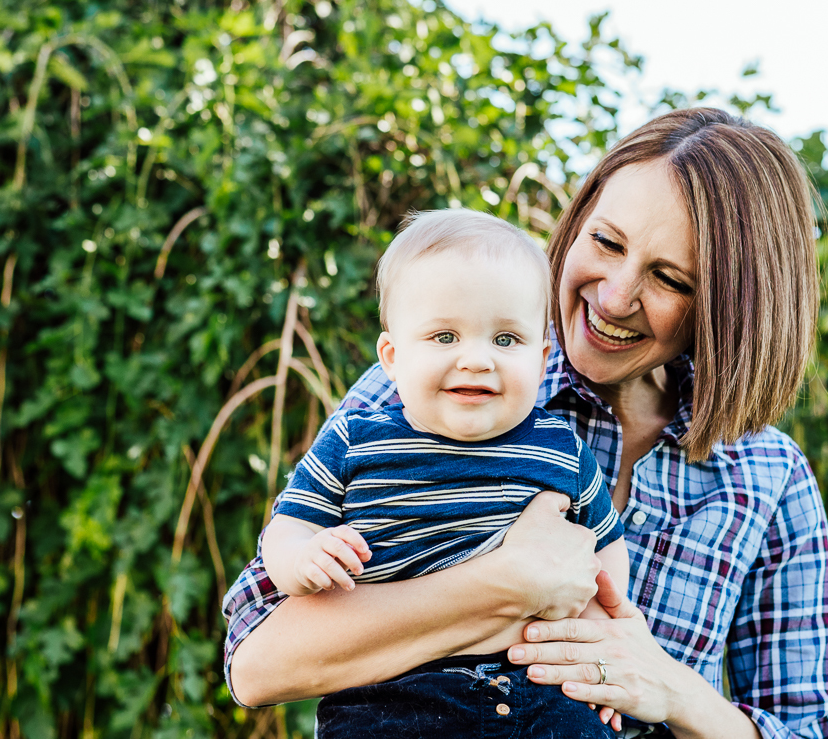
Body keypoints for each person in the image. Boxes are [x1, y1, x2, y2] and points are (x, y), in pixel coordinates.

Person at [224, 108, 828, 739]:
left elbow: (817, 729)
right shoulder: (432, 385)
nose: (614, 297)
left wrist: (673, 690)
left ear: (730, 308)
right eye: (606, 242)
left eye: (669, 279)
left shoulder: (768, 475)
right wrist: (499, 587)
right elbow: (256, 665)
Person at [260, 209, 630, 735]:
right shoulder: (355, 440)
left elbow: (605, 548)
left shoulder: (561, 448)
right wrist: (301, 557)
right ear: (392, 356)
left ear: (542, 357)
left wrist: (597, 649)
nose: (477, 360)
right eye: (444, 337)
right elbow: (288, 528)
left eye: (506, 340)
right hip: (389, 695)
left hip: (537, 692)